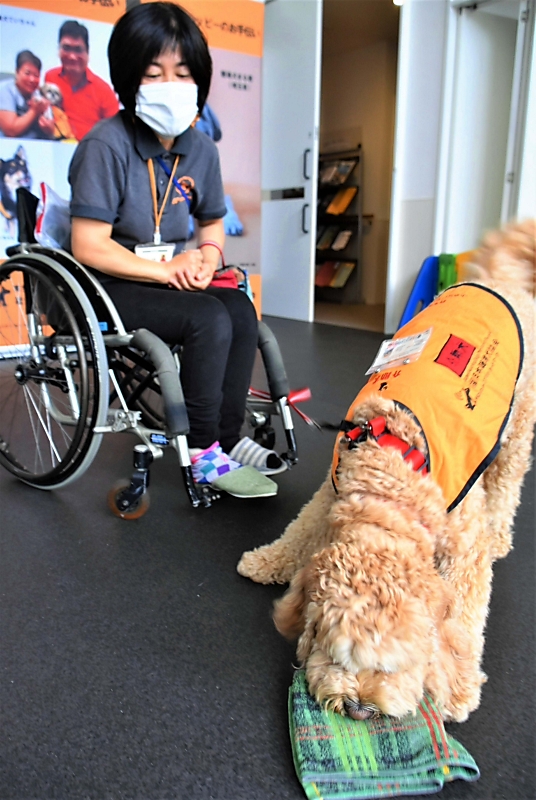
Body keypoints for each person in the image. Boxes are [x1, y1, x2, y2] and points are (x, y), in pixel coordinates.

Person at [69, 2, 284, 498]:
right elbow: (88, 244)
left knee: (237, 308)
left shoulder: (201, 149)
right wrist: (167, 273)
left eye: (182, 73)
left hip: (167, 273)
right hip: (109, 284)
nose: (170, 84)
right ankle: (205, 455)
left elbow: (211, 220)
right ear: (129, 80)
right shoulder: (106, 145)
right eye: (153, 73)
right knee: (206, 318)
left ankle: (227, 441)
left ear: (199, 80)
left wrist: (208, 255)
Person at [45, 20, 119, 141]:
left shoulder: (104, 91)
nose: (72, 56)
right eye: (66, 48)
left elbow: (116, 134)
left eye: (78, 49)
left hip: (90, 154)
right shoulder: (50, 78)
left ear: (87, 52)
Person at [0, 50, 55, 139]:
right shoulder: (5, 90)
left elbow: (51, 129)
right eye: (27, 73)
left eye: (36, 75)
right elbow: (10, 131)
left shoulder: (40, 95)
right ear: (17, 72)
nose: (32, 79)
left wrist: (48, 128)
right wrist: (34, 111)